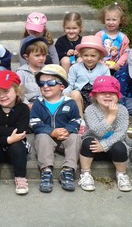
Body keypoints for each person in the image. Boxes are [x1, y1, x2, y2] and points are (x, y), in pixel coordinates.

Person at [30, 65, 81, 193]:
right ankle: (46, 170)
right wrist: (51, 131)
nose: (45, 86)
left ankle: (68, 170)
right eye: (42, 83)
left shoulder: (69, 103)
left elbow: (76, 120)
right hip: (47, 138)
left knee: (76, 137)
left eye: (51, 83)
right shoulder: (38, 103)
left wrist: (68, 130)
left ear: (62, 86)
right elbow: (34, 122)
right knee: (41, 137)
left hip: (65, 137)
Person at [77, 76, 132, 192]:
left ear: (118, 96)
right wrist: (110, 117)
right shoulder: (90, 110)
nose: (108, 96)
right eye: (103, 93)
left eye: (112, 93)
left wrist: (105, 145)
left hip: (113, 147)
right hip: (95, 147)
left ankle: (121, 174)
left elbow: (121, 133)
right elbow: (97, 131)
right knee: (87, 142)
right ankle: (85, 173)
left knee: (119, 146)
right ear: (95, 96)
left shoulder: (122, 110)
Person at [0, 71, 30, 195]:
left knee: (18, 146)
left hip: (15, 149)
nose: (2, 96)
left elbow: (20, 131)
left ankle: (20, 177)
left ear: (17, 91)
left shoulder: (23, 109)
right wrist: (8, 139)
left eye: (6, 91)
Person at [63, 35, 110, 117]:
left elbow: (107, 85)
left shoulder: (104, 69)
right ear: (81, 55)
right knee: (74, 93)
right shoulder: (75, 67)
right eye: (86, 55)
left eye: (93, 56)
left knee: (104, 95)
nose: (89, 58)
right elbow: (70, 84)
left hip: (96, 97)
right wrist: (65, 93)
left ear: (99, 56)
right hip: (80, 97)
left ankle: (98, 117)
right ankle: (80, 119)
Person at [95, 1, 131, 72]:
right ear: (104, 19)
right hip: (100, 67)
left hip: (117, 68)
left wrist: (119, 64)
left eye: (114, 20)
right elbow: (94, 50)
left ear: (120, 20)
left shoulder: (123, 37)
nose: (111, 22)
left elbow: (126, 52)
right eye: (108, 19)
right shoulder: (99, 35)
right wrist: (99, 61)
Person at [16, 36, 49, 104]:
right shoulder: (21, 72)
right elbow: (19, 92)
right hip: (30, 104)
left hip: (47, 102)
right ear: (26, 57)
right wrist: (27, 105)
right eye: (37, 55)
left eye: (44, 55)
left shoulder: (48, 70)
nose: (41, 58)